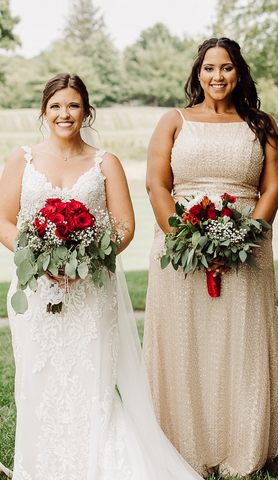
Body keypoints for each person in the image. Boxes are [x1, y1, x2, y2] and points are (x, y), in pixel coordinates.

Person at [0, 73, 203, 479]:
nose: (64, 114)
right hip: (37, 290)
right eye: (56, 106)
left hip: (91, 289)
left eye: (73, 105)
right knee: (39, 380)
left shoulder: (104, 161)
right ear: (44, 112)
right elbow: (4, 222)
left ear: (86, 111)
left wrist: (88, 256)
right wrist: (41, 257)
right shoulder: (22, 159)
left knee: (91, 382)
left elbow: (124, 226)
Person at [144, 37, 278, 477]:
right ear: (198, 74)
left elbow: (274, 188)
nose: (217, 76)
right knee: (184, 342)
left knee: (237, 341)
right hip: (179, 247)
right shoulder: (174, 121)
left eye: (226, 68)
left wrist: (240, 239)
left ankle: (240, 444)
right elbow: (156, 186)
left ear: (239, 72)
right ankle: (181, 443)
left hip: (246, 247)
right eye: (209, 68)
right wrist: (186, 241)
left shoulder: (262, 123)